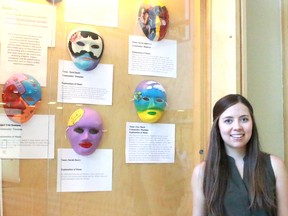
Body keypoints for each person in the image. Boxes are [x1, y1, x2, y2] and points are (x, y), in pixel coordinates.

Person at [192, 94, 288, 216]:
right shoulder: (202, 172)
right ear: (217, 126)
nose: (237, 127)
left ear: (252, 123)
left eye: (244, 119)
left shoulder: (275, 165)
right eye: (228, 121)